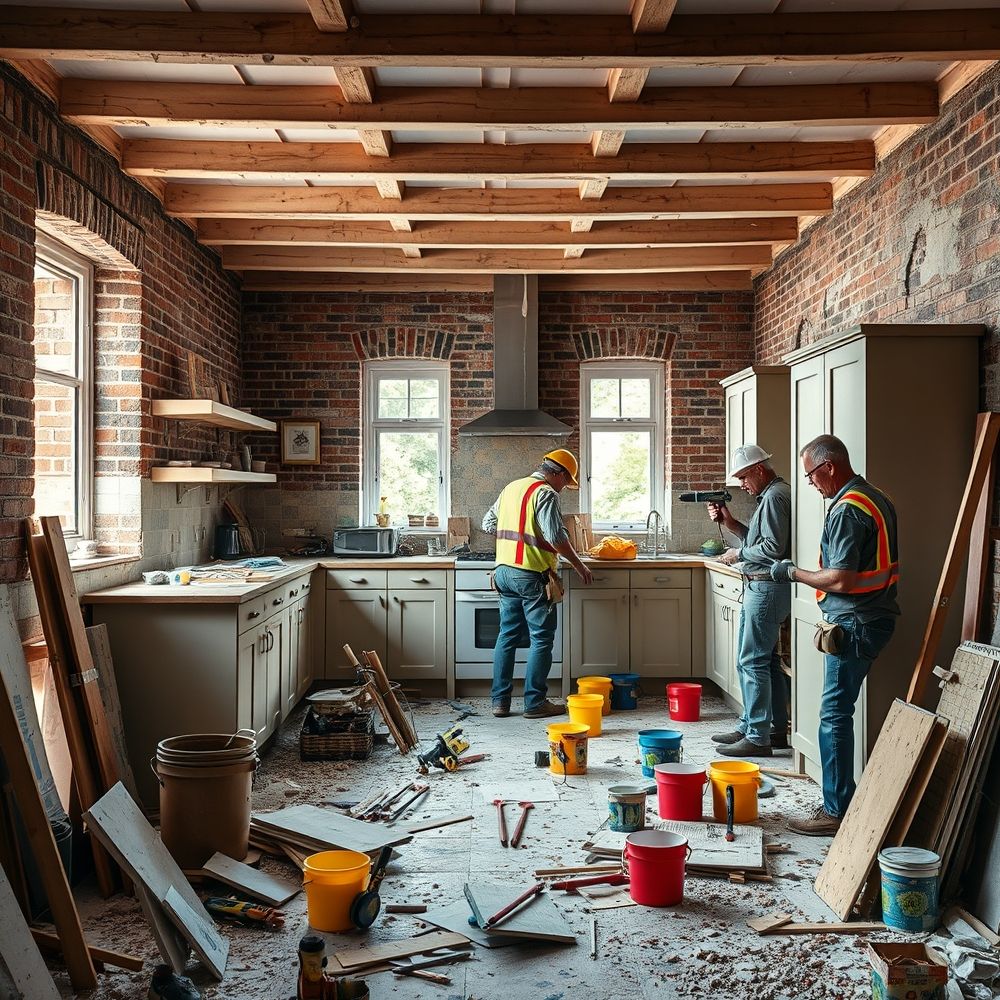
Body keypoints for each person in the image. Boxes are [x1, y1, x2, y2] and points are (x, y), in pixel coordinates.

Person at [771, 434, 899, 836]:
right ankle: (841, 797)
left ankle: (836, 810)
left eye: (811, 474)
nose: (810, 483)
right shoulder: (874, 496)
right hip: (872, 617)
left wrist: (791, 571)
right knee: (838, 712)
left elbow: (841, 579)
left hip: (856, 621)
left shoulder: (847, 509)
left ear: (829, 466)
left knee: (834, 715)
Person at [482, 448, 593, 719]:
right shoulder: (545, 493)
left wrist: (519, 534)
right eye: (566, 482)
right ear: (559, 473)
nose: (565, 488)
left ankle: (500, 703)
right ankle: (535, 703)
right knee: (541, 639)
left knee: (507, 635)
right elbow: (555, 535)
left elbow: (488, 524)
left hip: (503, 573)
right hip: (531, 573)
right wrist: (579, 564)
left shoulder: (511, 488)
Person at [706, 444, 792, 758]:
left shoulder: (773, 497)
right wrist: (731, 525)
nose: (742, 484)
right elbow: (763, 541)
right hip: (765, 587)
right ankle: (772, 729)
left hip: (767, 588)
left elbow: (772, 548)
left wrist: (737, 553)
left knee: (752, 661)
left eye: (743, 476)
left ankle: (757, 736)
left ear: (758, 468)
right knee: (766, 661)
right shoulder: (773, 495)